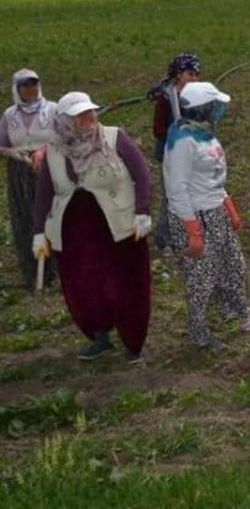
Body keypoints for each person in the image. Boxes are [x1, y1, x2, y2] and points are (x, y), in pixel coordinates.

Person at [32, 92, 153, 362]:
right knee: (85, 285)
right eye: (79, 115)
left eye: (89, 112)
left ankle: (133, 341)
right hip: (75, 233)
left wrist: (142, 211)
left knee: (127, 283)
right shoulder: (53, 150)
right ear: (64, 120)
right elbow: (44, 193)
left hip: (117, 227)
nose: (88, 118)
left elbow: (141, 174)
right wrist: (39, 232)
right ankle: (99, 334)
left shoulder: (113, 137)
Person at [164, 82, 250, 349]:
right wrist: (193, 233)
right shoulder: (183, 143)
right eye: (214, 106)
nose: (218, 111)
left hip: (216, 212)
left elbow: (215, 179)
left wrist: (230, 209)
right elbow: (176, 190)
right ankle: (200, 334)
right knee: (201, 278)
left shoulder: (206, 135)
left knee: (234, 266)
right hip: (196, 216)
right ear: (202, 108)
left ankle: (244, 315)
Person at [1, 69, 58, 290]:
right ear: (17, 89)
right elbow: (2, 144)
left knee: (50, 213)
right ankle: (33, 272)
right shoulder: (9, 115)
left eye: (33, 84)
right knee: (25, 217)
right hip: (20, 171)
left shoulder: (52, 110)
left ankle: (55, 270)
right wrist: (13, 153)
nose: (30, 89)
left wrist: (44, 152)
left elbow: (64, 138)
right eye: (25, 86)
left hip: (49, 166)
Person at [149, 53, 201, 249]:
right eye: (190, 74)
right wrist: (178, 133)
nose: (194, 79)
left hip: (190, 152)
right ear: (178, 74)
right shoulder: (166, 98)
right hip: (169, 153)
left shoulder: (195, 96)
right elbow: (158, 129)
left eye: (197, 75)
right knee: (172, 195)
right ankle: (164, 237)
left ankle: (187, 230)